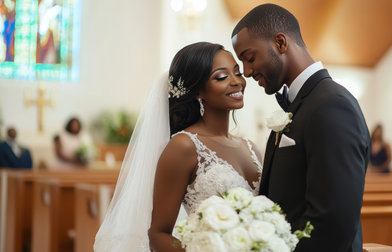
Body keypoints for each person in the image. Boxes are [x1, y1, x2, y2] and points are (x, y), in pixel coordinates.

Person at [94, 42, 262, 251]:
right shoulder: (184, 146)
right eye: (221, 77)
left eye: (237, 73)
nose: (237, 82)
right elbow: (158, 235)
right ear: (198, 91)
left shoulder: (251, 148)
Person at [231, 4, 370, 251]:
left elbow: (333, 223)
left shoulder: (331, 105)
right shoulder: (303, 104)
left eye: (250, 58)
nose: (248, 72)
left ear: (280, 43)